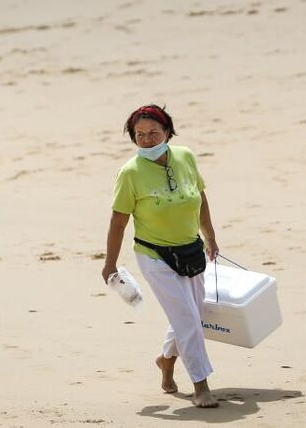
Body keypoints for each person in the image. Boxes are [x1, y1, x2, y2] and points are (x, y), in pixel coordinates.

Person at [101, 104, 220, 408]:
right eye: (140, 135)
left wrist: (210, 236)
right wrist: (110, 263)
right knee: (187, 319)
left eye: (154, 133)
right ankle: (201, 386)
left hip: (190, 249)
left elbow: (200, 197)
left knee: (195, 313)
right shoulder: (130, 173)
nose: (147, 139)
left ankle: (166, 360)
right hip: (154, 255)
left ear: (168, 131)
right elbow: (118, 221)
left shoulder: (186, 156)